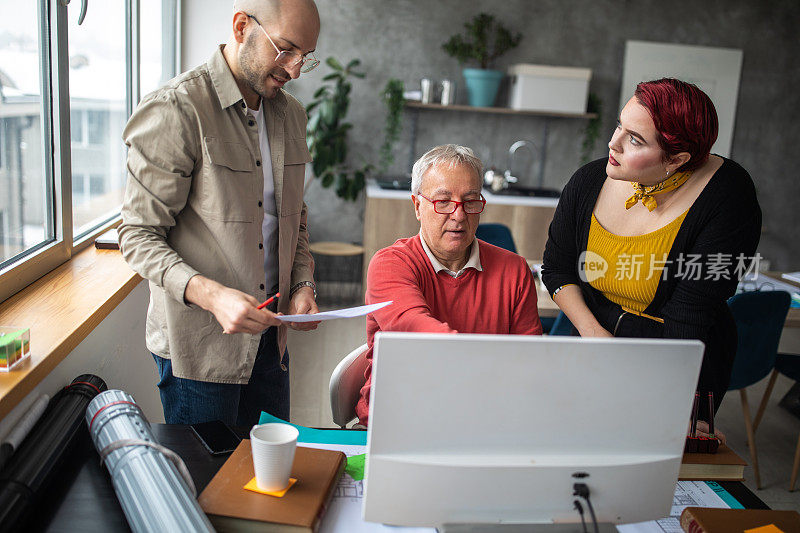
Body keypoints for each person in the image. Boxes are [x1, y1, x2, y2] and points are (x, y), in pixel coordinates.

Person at [118, 0, 322, 427]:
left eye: (305, 57)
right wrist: (215, 297)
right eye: (286, 50)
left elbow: (293, 218)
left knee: (266, 484)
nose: (296, 69)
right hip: (199, 350)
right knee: (207, 490)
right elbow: (138, 235)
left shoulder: (292, 115)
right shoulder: (177, 108)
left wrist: (302, 283)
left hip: (272, 343)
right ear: (242, 26)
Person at [542, 78, 761, 437]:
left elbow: (690, 315)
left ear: (676, 159)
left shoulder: (727, 196)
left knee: (651, 458)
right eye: (619, 125)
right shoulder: (589, 179)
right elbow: (557, 268)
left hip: (677, 354)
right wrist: (593, 333)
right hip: (591, 336)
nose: (613, 143)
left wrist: (674, 406)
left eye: (635, 139)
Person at [356, 144, 544, 426]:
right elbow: (417, 330)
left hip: (487, 419)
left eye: (470, 201)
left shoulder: (514, 270)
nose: (459, 215)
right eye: (443, 201)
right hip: (400, 418)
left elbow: (530, 362)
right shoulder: (390, 264)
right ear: (418, 206)